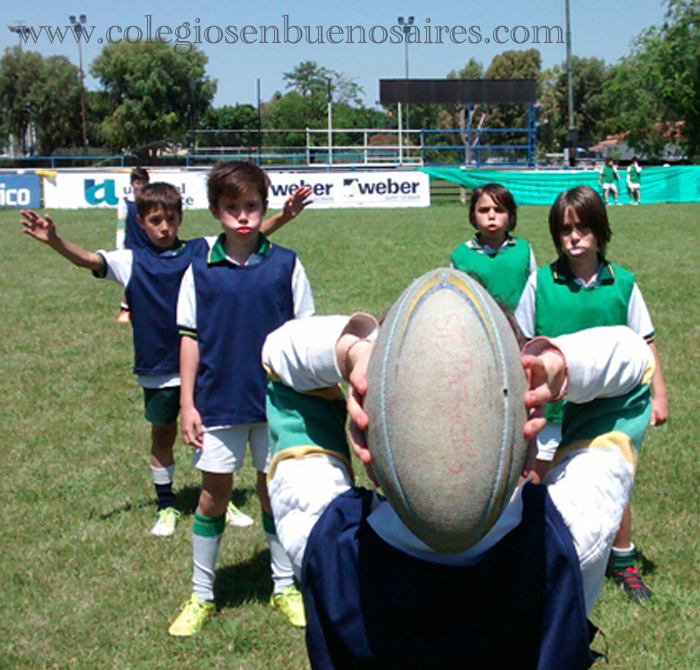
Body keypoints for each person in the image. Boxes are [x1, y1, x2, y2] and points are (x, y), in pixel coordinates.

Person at [262, 301, 654, 668]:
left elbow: (281, 362)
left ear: (368, 446)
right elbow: (635, 368)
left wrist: (354, 355)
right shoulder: (570, 539)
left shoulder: (319, 539)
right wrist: (555, 367)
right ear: (528, 439)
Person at [22, 181, 312, 540]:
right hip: (158, 368)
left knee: (216, 437)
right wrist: (54, 240)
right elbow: (89, 260)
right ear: (141, 222)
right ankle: (165, 502)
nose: (164, 227)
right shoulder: (130, 261)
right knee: (164, 434)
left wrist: (284, 215)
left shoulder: (201, 250)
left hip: (206, 368)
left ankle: (223, 497)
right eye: (155, 220)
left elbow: (246, 232)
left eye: (171, 219)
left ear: (181, 219)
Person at [168, 161, 315, 637]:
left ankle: (284, 585)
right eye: (232, 207)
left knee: (275, 494)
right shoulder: (198, 268)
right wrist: (188, 404)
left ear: (264, 206)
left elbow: (305, 338)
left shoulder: (287, 264)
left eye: (251, 206)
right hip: (219, 402)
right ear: (215, 211)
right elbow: (188, 339)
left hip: (276, 404)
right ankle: (202, 594)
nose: (243, 216)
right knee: (213, 496)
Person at [515, 185, 668, 601]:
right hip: (554, 410)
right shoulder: (540, 283)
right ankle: (526, 554)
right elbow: (522, 345)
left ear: (600, 230)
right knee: (534, 479)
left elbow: (645, 342)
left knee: (613, 482)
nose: (574, 237)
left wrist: (658, 394)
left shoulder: (624, 284)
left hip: (609, 410)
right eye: (565, 230)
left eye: (583, 227)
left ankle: (623, 561)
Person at [450, 183, 536, 311]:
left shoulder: (524, 250)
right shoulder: (460, 256)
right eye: (484, 210)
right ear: (473, 215)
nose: (491, 216)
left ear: (510, 216)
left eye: (499, 210)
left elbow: (536, 292)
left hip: (520, 328)